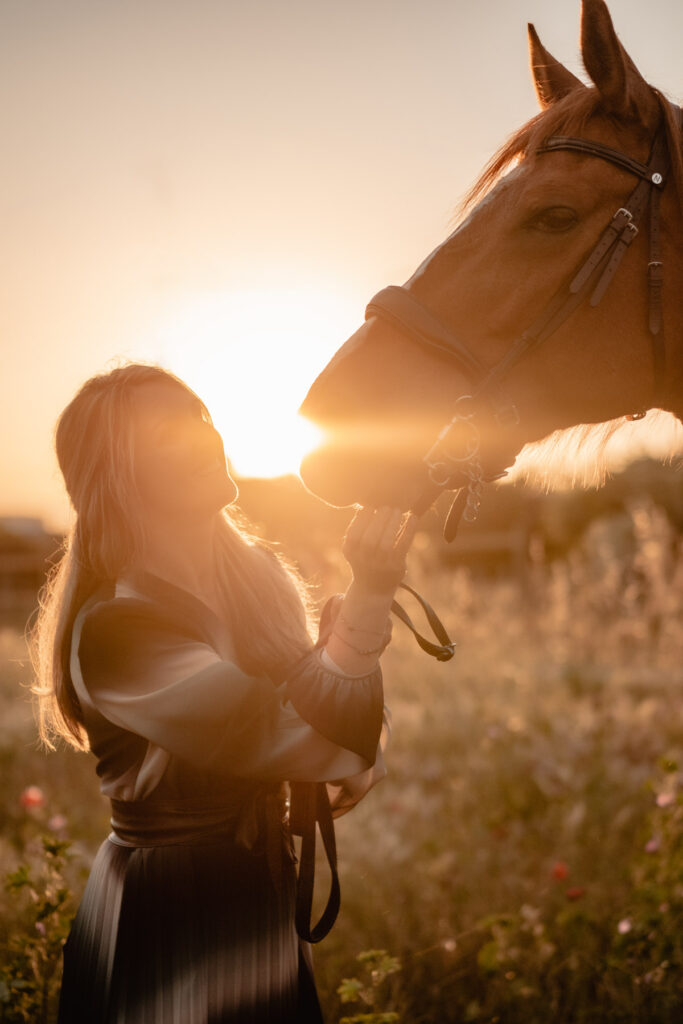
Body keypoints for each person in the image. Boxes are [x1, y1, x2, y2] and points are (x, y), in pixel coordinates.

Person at [29, 362, 417, 1023]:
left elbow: (332, 718)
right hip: (169, 908)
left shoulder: (259, 581)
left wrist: (354, 742)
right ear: (120, 475)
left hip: (257, 891)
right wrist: (369, 598)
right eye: (167, 430)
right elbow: (310, 731)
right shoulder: (119, 628)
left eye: (199, 415)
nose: (203, 436)